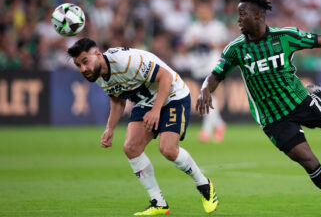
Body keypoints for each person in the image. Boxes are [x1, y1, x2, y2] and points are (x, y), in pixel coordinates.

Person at [196, 0, 321, 217]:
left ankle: (317, 94)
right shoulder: (235, 49)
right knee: (309, 162)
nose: (237, 19)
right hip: (274, 118)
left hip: (300, 101)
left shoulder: (285, 36)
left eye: (242, 14)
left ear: (258, 15)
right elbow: (215, 75)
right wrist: (204, 90)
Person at [67, 38, 218, 215]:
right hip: (145, 101)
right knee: (131, 148)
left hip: (173, 95)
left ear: (98, 54)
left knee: (168, 149)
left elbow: (166, 77)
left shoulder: (125, 61)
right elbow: (117, 100)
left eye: (85, 61)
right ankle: (158, 202)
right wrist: (110, 128)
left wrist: (155, 110)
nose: (83, 69)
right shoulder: (98, 76)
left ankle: (204, 185)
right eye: (79, 65)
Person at [183, 2, 229, 143]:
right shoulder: (193, 28)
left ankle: (206, 131)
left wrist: (215, 45)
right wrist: (192, 43)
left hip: (213, 65)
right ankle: (220, 125)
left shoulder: (218, 27)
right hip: (198, 66)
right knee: (206, 96)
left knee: (207, 95)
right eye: (200, 10)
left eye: (205, 10)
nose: (203, 13)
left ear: (211, 12)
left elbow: (227, 45)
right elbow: (184, 47)